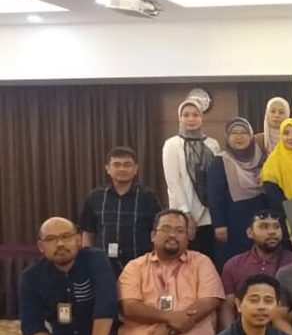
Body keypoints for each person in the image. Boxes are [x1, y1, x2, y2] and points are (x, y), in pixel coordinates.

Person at [79, 146, 162, 276]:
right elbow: (88, 232)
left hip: (140, 264)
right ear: (108, 169)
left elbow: (157, 232)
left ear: (135, 169)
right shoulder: (95, 196)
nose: (122, 169)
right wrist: (88, 260)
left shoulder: (148, 197)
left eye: (127, 165)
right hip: (103, 265)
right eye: (116, 165)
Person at [162, 98, 221, 257]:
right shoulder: (172, 144)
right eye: (186, 115)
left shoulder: (212, 144)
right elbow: (173, 182)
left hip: (210, 214)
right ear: (179, 118)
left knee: (209, 260)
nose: (191, 119)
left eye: (195, 115)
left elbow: (216, 180)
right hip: (185, 214)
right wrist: (186, 215)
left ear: (201, 118)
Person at [219, 210, 292, 328]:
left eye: (276, 227)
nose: (272, 232)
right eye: (264, 227)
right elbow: (227, 308)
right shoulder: (233, 265)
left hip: (285, 333)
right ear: (250, 232)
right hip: (243, 333)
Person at [208, 117, 268, 266]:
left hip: (258, 216)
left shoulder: (261, 159)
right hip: (233, 220)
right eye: (234, 133)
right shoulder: (220, 161)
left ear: (251, 136)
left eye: (244, 133)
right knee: (235, 262)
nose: (239, 137)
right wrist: (219, 224)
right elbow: (215, 195)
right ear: (227, 137)